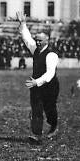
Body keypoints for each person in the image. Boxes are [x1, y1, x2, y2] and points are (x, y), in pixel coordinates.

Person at [17, 13, 60, 144]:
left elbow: (50, 73)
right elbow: (27, 39)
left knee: (49, 108)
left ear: (47, 40)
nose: (38, 42)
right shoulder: (35, 49)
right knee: (36, 109)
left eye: (41, 40)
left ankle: (53, 125)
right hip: (35, 86)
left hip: (49, 86)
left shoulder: (51, 54)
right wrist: (23, 24)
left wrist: (38, 81)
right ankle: (37, 135)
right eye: (37, 40)